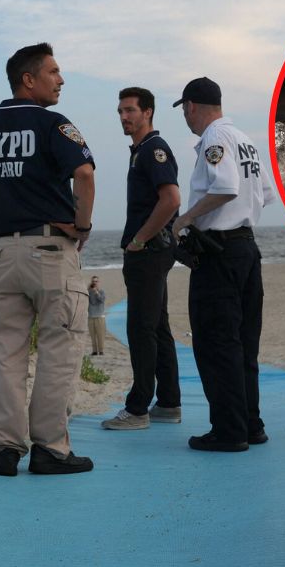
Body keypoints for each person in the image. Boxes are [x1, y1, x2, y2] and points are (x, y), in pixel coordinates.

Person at [0, 42, 96, 477]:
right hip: (49, 250)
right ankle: (49, 448)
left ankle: (5, 449)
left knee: (6, 354)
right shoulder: (53, 124)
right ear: (28, 79)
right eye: (54, 71)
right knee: (58, 348)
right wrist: (82, 227)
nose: (61, 79)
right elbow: (84, 173)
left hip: (1, 254)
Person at [170, 77, 278, 453]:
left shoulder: (214, 140)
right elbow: (264, 193)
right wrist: (237, 215)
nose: (185, 116)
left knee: (217, 342)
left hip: (220, 253)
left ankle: (229, 430)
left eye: (184, 109)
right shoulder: (244, 140)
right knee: (245, 342)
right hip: (247, 247)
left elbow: (225, 186)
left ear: (192, 106)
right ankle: (250, 423)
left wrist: (187, 219)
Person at [102, 86, 182, 431]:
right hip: (151, 252)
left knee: (141, 328)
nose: (124, 117)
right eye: (120, 111)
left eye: (130, 110)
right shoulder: (141, 151)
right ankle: (168, 402)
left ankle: (137, 410)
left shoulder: (154, 150)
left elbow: (172, 199)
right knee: (158, 326)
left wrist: (139, 239)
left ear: (147, 112)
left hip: (148, 253)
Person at [87, 276, 107, 355]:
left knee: (100, 335)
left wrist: (96, 292)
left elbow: (102, 300)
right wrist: (88, 289)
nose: (94, 283)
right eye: (93, 281)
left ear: (99, 282)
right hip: (91, 316)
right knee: (92, 336)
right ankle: (94, 351)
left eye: (96, 281)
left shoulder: (102, 291)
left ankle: (101, 351)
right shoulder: (88, 292)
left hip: (99, 316)